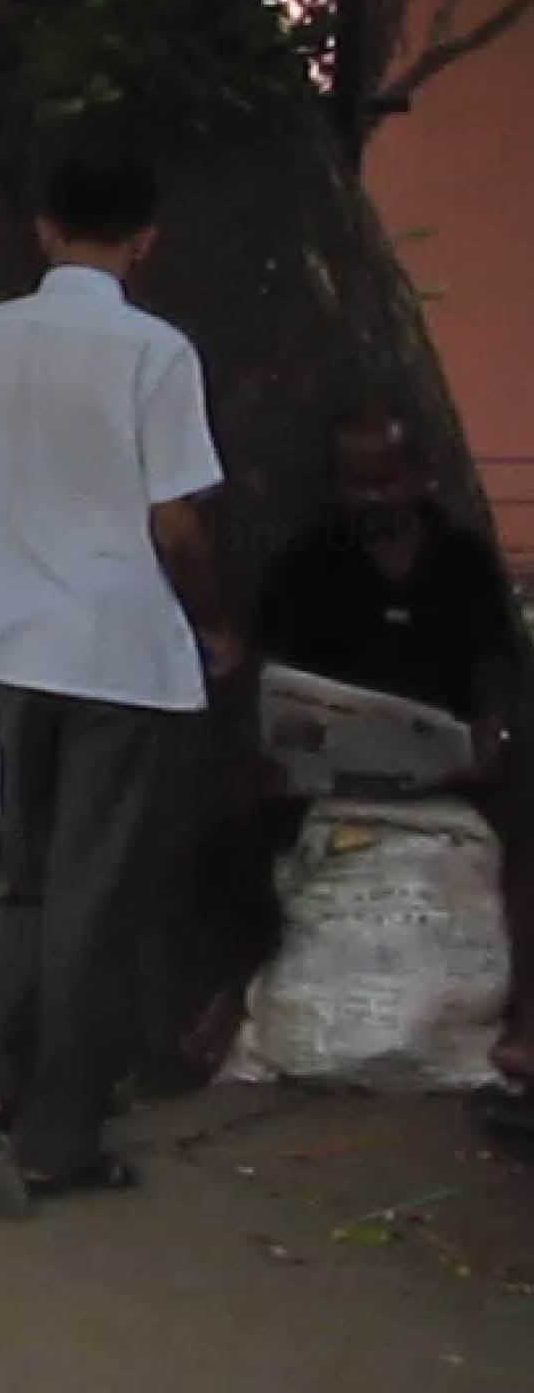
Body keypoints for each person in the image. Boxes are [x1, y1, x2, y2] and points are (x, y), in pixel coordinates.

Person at [0, 154, 242, 1217]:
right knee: (90, 898)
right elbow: (174, 520)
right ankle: (57, 1136)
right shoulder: (155, 351)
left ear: (44, 228)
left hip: (12, 647)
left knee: (29, 880)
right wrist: (212, 625)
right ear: (143, 240)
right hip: (114, 651)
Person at [247, 405, 532, 1093]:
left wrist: (490, 730)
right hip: (335, 771)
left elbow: (494, 665)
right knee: (230, 825)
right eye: (358, 484)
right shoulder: (307, 563)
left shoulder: (461, 559)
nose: (374, 498)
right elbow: (276, 677)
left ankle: (525, 1019)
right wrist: (286, 750)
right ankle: (238, 992)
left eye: (387, 481)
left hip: (451, 767)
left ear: (422, 475)